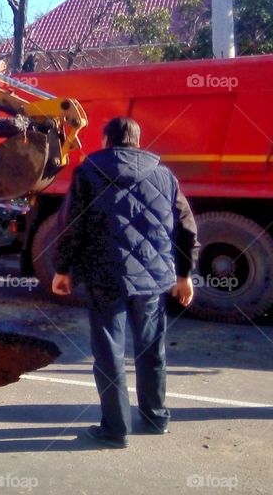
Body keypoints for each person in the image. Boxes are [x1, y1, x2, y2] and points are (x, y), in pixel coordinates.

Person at [52, 117, 198, 449]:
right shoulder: (164, 175)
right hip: (152, 279)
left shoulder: (88, 172)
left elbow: (71, 224)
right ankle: (155, 418)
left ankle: (115, 430)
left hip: (105, 275)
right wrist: (184, 275)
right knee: (151, 349)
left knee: (109, 352)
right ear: (138, 141)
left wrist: (63, 269)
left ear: (106, 140)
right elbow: (187, 227)